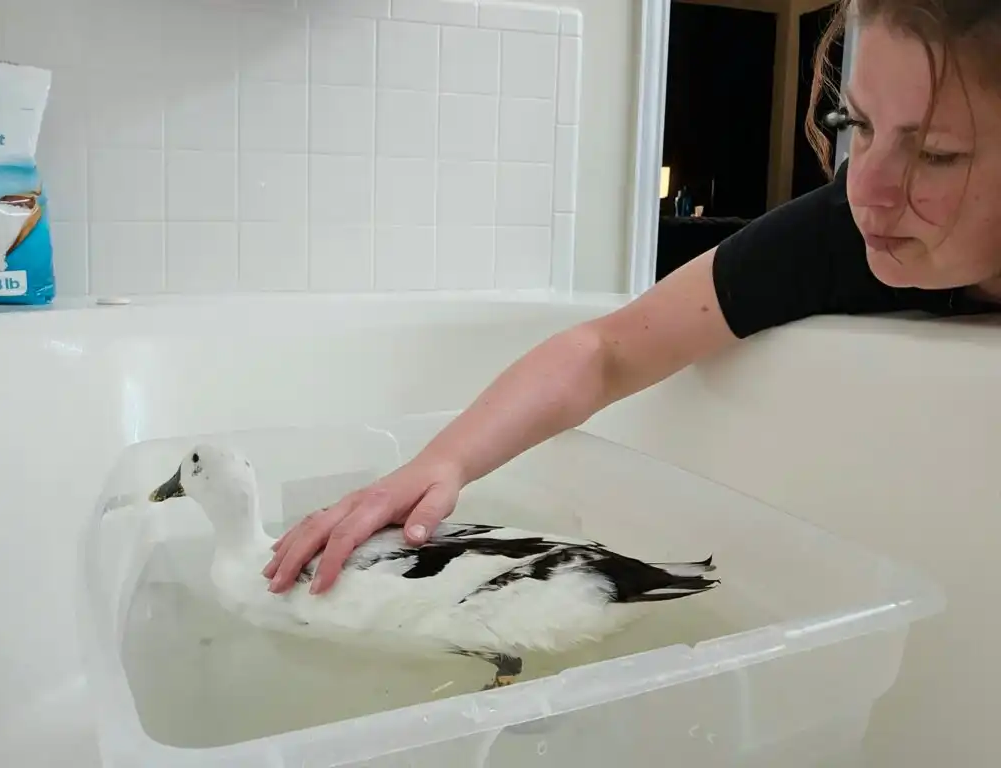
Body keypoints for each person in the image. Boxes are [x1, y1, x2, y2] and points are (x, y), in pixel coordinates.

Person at [264, 0, 1001, 595]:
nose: (865, 187)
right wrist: (435, 467)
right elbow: (606, 350)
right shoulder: (846, 228)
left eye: (935, 153)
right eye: (859, 126)